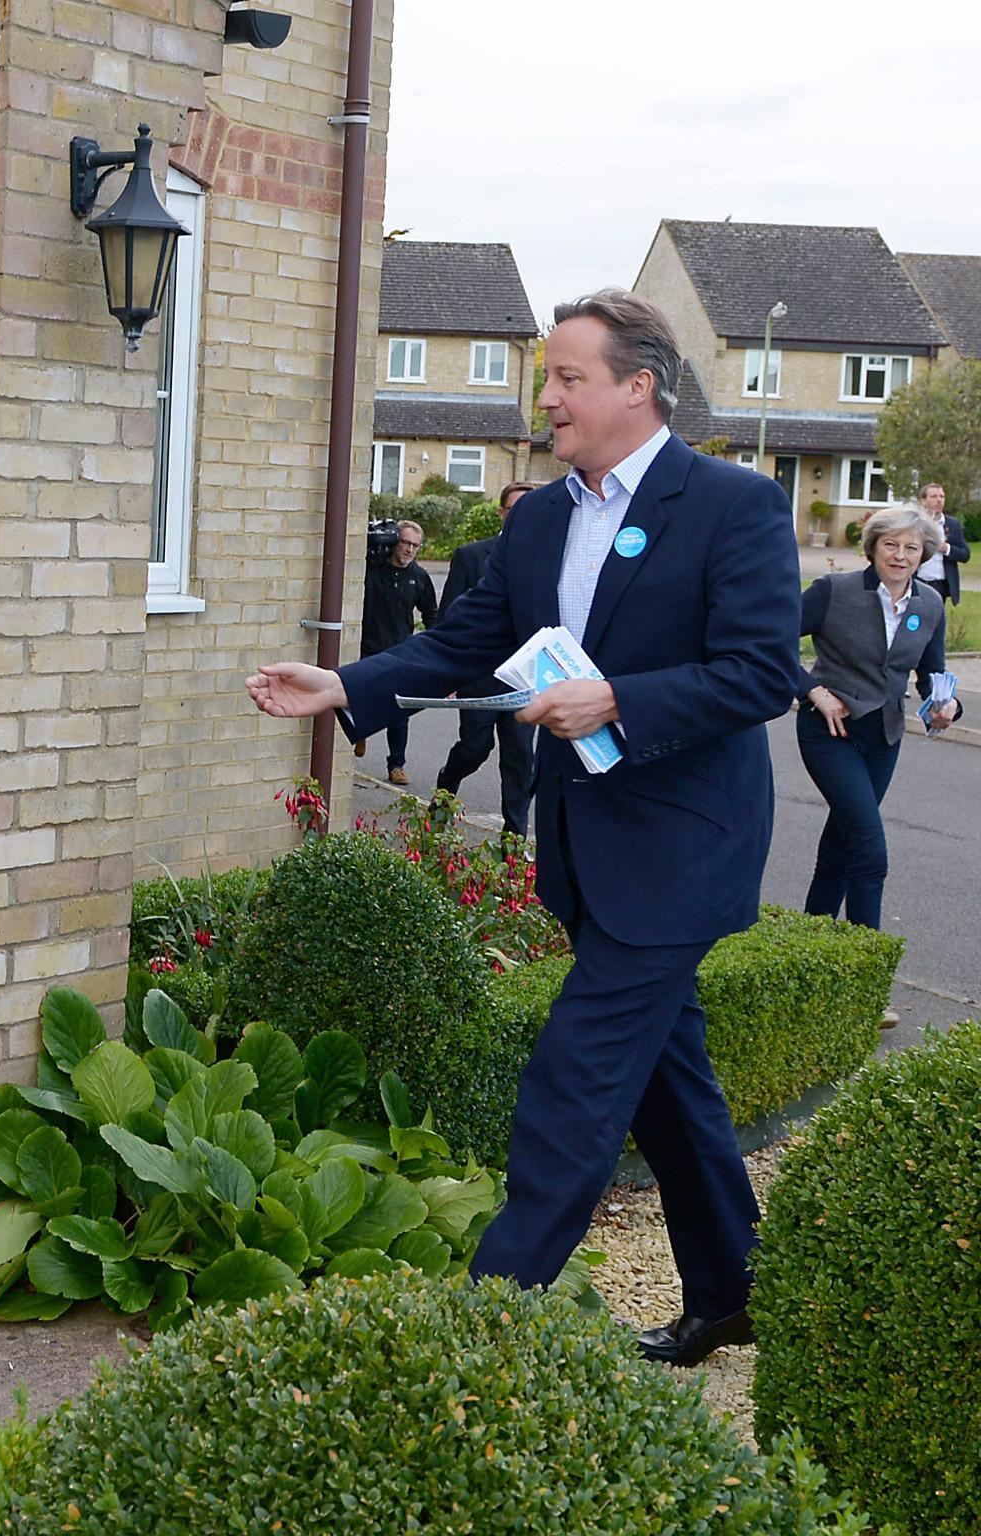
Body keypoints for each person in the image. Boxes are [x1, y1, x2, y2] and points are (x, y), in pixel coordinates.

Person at [246, 289, 801, 1368]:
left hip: (683, 849)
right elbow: (464, 644)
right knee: (664, 1079)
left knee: (572, 1081)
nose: (543, 396)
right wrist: (345, 685)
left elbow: (759, 672)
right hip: (589, 851)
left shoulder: (730, 505)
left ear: (635, 388)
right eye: (545, 376)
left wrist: (618, 702)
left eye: (565, 377)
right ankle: (730, 1288)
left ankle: (473, 1331)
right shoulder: (540, 517)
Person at [797, 503, 962, 929]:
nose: (900, 555)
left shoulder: (929, 604)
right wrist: (814, 692)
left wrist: (946, 706)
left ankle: (813, 938)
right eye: (890, 544)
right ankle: (868, 960)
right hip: (829, 730)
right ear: (873, 548)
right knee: (869, 851)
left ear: (923, 554)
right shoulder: (833, 590)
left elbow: (931, 673)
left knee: (842, 843)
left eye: (911, 547)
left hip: (883, 738)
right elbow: (769, 641)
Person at [432, 481, 538, 835]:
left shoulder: (548, 558)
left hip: (525, 679)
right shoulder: (471, 556)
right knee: (476, 748)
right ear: (502, 513)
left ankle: (514, 839)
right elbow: (448, 617)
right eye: (516, 509)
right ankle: (447, 784)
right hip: (480, 676)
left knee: (520, 758)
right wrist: (446, 674)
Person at [352, 519, 437, 785]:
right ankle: (360, 731)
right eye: (406, 543)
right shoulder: (372, 570)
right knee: (360, 697)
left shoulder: (419, 577)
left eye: (415, 545)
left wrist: (437, 649)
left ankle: (396, 764)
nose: (410, 550)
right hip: (368, 646)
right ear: (394, 542)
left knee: (400, 711)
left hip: (400, 650)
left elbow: (431, 613)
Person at [914, 482, 969, 605]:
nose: (939, 500)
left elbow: (965, 555)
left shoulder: (952, 524)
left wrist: (946, 548)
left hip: (940, 585)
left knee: (936, 621)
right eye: (934, 497)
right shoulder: (915, 523)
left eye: (942, 496)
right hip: (917, 581)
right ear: (923, 501)